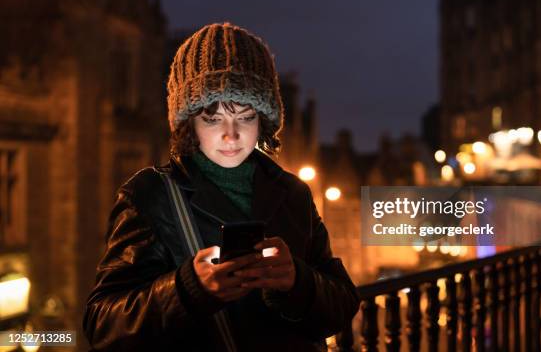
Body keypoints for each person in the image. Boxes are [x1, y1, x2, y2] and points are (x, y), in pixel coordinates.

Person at [82, 22, 360, 351]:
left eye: (245, 116)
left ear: (264, 120)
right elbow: (102, 324)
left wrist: (298, 282)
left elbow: (343, 302)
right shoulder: (149, 195)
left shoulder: (293, 193)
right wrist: (186, 289)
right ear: (189, 123)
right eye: (212, 118)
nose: (231, 134)